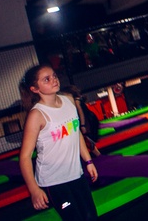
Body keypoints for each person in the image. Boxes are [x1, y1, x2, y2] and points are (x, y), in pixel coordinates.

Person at [19, 65, 98, 220]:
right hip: (54, 181)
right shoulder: (37, 114)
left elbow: (76, 135)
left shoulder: (68, 100)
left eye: (54, 76)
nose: (54, 80)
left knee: (90, 217)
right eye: (46, 79)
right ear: (35, 88)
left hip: (76, 174)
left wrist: (88, 161)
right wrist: (34, 189)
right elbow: (25, 157)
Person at [67, 86, 101, 158]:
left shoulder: (76, 101)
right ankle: (97, 155)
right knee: (88, 142)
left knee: (88, 141)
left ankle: (96, 156)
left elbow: (81, 113)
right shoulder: (79, 99)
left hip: (88, 120)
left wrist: (82, 125)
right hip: (91, 118)